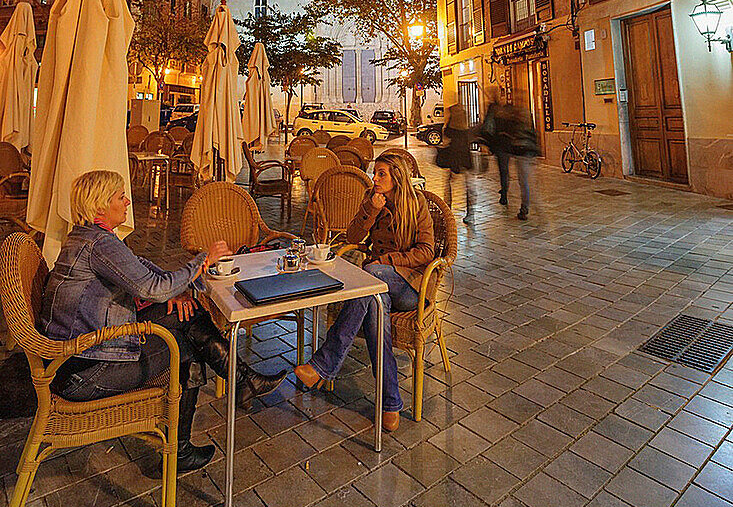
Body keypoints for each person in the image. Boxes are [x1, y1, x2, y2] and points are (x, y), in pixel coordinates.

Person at [41, 170, 287, 473]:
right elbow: (151, 287)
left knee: (188, 314)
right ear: (99, 205)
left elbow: (148, 275)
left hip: (81, 357)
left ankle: (239, 382)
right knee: (190, 344)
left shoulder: (90, 238)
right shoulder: (98, 245)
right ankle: (194, 434)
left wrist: (175, 292)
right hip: (85, 372)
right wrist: (201, 262)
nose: (128, 201)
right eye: (121, 197)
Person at [293, 152, 434, 433]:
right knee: (374, 301)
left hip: (409, 288)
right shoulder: (372, 198)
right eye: (375, 173)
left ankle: (324, 364)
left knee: (371, 276)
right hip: (379, 287)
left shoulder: (416, 204)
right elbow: (354, 237)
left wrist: (388, 262)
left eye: (381, 174)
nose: (375, 178)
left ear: (396, 176)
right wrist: (370, 209)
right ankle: (391, 402)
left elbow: (427, 251)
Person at [440, 103, 476, 224]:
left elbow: (445, 136)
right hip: (465, 158)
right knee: (469, 187)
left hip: (453, 157)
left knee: (448, 185)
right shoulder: (466, 129)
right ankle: (470, 213)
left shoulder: (451, 129)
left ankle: (447, 210)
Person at [508, 105, 540, 219]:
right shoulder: (529, 123)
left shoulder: (517, 124)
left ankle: (525, 207)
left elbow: (515, 138)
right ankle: (532, 204)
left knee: (524, 182)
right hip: (530, 153)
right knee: (528, 181)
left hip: (522, 154)